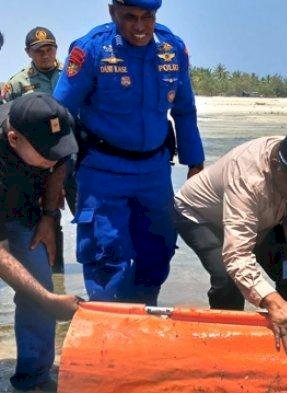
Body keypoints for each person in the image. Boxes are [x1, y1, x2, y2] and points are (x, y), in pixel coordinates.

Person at [53, 0, 205, 305]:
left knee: (158, 250)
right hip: (102, 171)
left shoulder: (172, 49)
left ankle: (141, 319)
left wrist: (195, 164)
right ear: (113, 12)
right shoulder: (91, 51)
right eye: (130, 17)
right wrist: (53, 173)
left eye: (147, 17)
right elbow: (59, 114)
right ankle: (106, 327)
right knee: (107, 254)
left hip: (154, 172)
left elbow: (185, 110)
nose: (139, 27)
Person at [174, 131, 287, 356]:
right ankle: (226, 344)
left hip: (258, 217)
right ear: (276, 165)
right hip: (200, 215)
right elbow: (236, 256)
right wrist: (272, 301)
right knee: (228, 279)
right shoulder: (246, 177)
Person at [0, 93, 80, 390]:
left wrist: (48, 215)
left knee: (39, 287)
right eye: (47, 151)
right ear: (13, 139)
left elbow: (60, 163)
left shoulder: (54, 122)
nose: (55, 154)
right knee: (43, 297)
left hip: (25, 209)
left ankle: (33, 380)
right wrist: (49, 301)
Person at [2, 27, 72, 273]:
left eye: (49, 48)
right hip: (36, 162)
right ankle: (52, 271)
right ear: (28, 53)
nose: (45, 54)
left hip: (72, 157)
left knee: (85, 213)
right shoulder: (17, 84)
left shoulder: (72, 76)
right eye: (38, 50)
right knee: (47, 214)